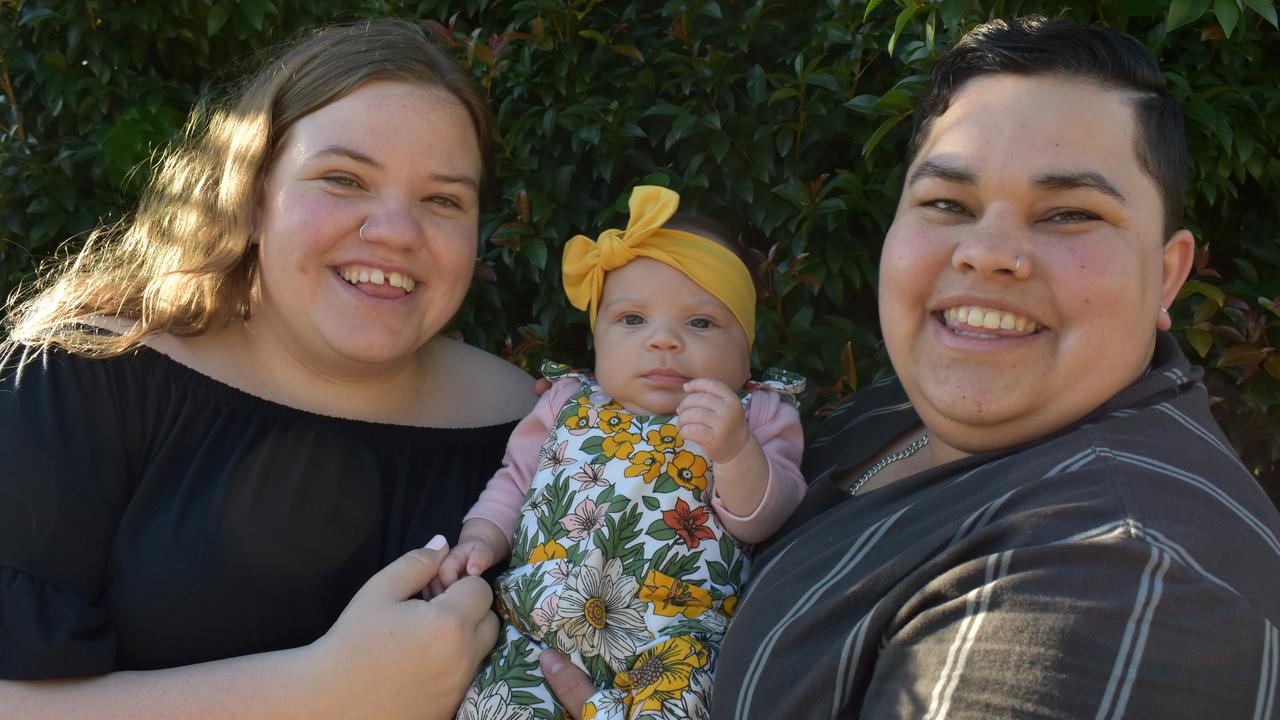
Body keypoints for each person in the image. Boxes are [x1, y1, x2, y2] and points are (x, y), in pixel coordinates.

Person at [538, 16, 1280, 719]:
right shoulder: (905, 409)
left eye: (1068, 214)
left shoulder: (1126, 580)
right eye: (948, 202)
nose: (985, 251)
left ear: (1168, 274)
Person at [0, 19, 534, 718]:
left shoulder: (534, 428)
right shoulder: (79, 378)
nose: (398, 232)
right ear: (251, 198)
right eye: (344, 179)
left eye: (443, 200)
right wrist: (324, 692)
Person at [439, 185, 805, 719]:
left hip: (672, 645)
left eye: (700, 322)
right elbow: (516, 480)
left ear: (745, 353)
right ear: (597, 340)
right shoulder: (566, 400)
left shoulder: (755, 415)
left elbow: (768, 517)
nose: (664, 340)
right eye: (633, 319)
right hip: (540, 627)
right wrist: (482, 535)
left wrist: (734, 451)